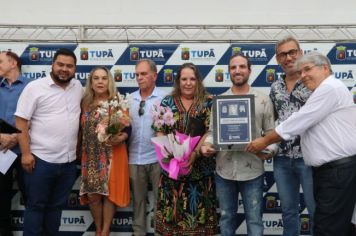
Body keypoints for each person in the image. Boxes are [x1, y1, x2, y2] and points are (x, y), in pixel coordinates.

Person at [246, 51, 356, 236]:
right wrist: (271, 146)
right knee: (336, 225)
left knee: (328, 227)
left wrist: (264, 140)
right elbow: (287, 121)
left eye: (307, 69)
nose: (303, 75)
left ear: (325, 68)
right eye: (301, 71)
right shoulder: (323, 90)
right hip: (332, 171)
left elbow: (298, 120)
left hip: (337, 171)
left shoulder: (329, 88)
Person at [201, 53, 276, 236]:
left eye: (242, 67)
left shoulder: (263, 99)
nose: (238, 71)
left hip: (252, 171)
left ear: (249, 70)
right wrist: (207, 146)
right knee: (226, 219)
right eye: (233, 67)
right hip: (224, 170)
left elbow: (271, 134)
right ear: (229, 72)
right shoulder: (219, 101)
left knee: (254, 220)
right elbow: (212, 132)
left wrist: (269, 150)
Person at [15, 48, 83, 236]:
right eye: (60, 64)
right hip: (40, 161)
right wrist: (26, 154)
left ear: (75, 69)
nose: (64, 69)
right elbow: (21, 121)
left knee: (56, 209)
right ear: (52, 65)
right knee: (35, 207)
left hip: (68, 164)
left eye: (69, 66)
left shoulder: (77, 87)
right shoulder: (35, 87)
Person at [153, 62, 217, 235]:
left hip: (200, 172)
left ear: (198, 81)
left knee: (198, 221)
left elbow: (210, 130)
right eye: (184, 79)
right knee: (171, 222)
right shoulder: (166, 102)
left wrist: (194, 153)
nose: (188, 83)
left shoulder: (208, 102)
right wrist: (171, 152)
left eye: (192, 79)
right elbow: (159, 130)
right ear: (178, 81)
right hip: (171, 173)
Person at [270, 36, 315, 235]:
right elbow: (273, 121)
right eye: (282, 54)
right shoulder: (275, 87)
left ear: (300, 53)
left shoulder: (313, 82)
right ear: (277, 59)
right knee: (288, 212)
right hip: (282, 159)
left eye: (292, 52)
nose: (288, 58)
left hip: (310, 157)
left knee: (315, 210)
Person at [79, 66, 131, 236]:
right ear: (91, 82)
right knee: (93, 196)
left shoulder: (117, 101)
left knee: (110, 195)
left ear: (109, 81)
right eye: (96, 78)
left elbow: (127, 127)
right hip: (91, 156)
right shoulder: (84, 102)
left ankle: (105, 231)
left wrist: (121, 137)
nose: (100, 81)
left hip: (112, 154)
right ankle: (98, 229)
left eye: (104, 78)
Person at [128, 59, 167, 236]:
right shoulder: (130, 99)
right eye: (137, 75)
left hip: (158, 159)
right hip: (134, 159)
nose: (139, 78)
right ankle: (138, 233)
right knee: (138, 203)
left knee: (161, 202)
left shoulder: (165, 98)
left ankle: (161, 232)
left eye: (143, 74)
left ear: (154, 75)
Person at [0, 51, 31, 236]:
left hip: (25, 151)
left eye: (0, 61)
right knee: (1, 196)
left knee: (31, 196)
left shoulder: (32, 87)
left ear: (13, 63)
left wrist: (16, 137)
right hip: (2, 150)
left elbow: (38, 117)